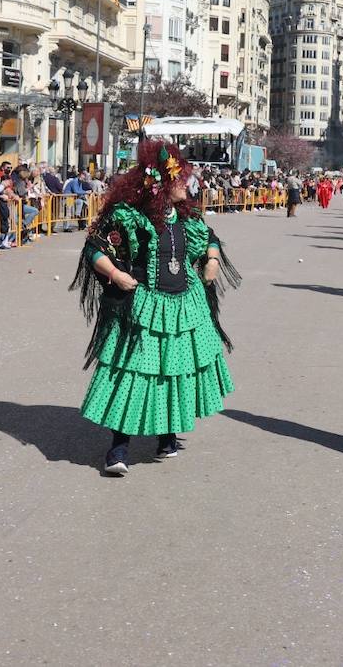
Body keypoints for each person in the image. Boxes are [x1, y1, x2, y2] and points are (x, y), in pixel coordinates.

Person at [71, 138, 239, 476]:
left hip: (182, 305)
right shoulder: (129, 217)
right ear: (162, 184)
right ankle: (118, 449)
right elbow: (94, 248)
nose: (186, 184)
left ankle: (167, 436)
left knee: (172, 371)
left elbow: (209, 238)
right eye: (180, 179)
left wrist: (212, 260)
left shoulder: (185, 215)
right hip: (145, 305)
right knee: (133, 374)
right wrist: (116, 274)